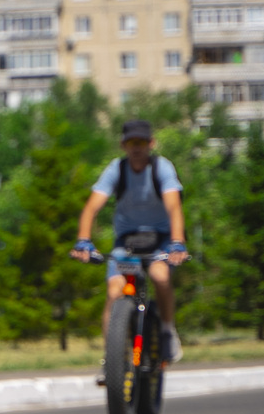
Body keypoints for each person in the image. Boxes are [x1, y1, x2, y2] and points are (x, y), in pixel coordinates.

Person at [71, 118, 190, 362]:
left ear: (151, 144)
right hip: (128, 242)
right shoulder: (116, 169)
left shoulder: (161, 168)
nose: (137, 148)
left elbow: (174, 207)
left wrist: (177, 243)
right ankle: (112, 360)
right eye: (132, 142)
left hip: (161, 239)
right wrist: (83, 241)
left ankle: (167, 330)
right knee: (115, 290)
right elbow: (91, 208)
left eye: (141, 142)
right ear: (123, 145)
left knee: (159, 276)